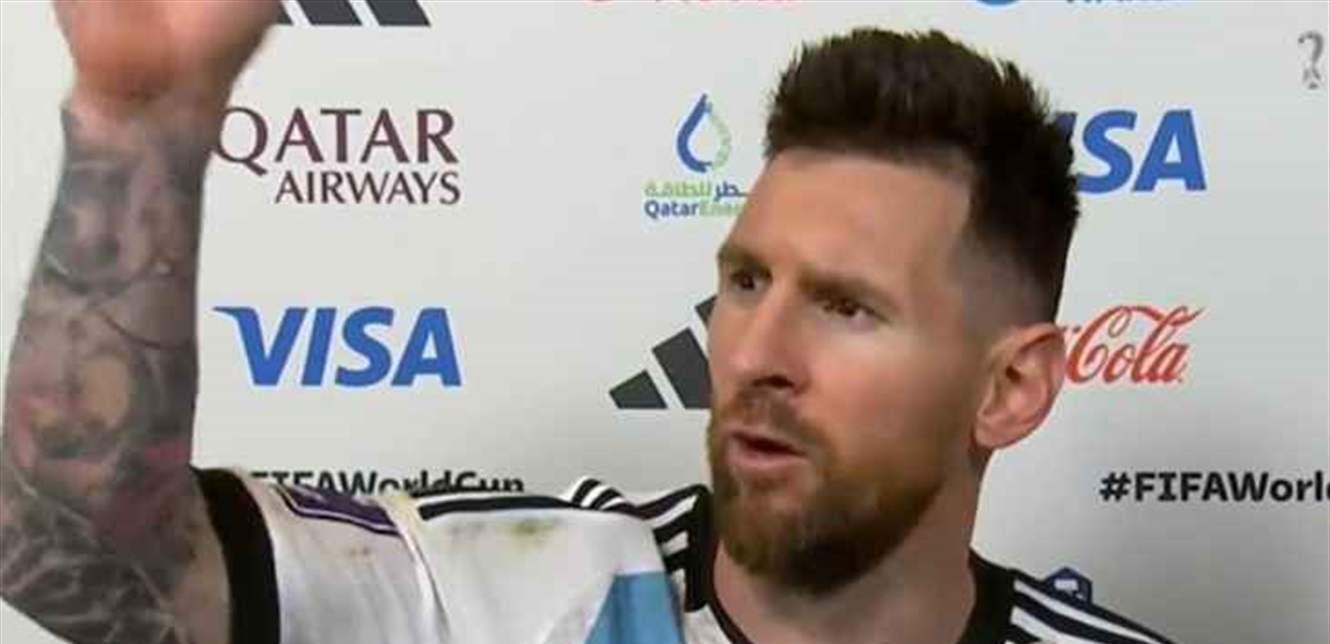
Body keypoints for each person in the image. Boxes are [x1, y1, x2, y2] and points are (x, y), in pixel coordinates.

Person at [0, 1, 1179, 643]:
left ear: (1009, 388)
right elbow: (71, 553)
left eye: (844, 306)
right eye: (746, 281)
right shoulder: (509, 592)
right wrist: (138, 127)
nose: (755, 355)